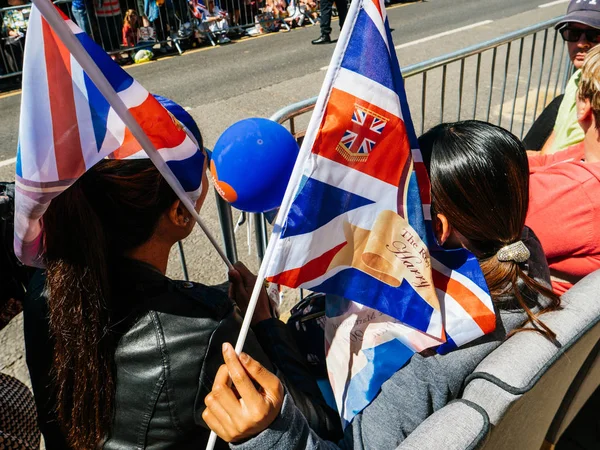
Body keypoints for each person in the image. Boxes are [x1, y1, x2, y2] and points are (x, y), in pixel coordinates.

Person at [202, 120, 562, 448]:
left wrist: (267, 434)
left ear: (436, 229)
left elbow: (352, 445)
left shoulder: (429, 359)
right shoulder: (519, 250)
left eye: (403, 199)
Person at [22, 109, 340, 448]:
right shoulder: (204, 328)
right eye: (203, 169)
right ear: (178, 213)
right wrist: (264, 323)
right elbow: (316, 426)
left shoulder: (45, 289)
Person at [526, 44, 600, 295]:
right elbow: (549, 161)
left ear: (583, 106)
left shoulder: (578, 194)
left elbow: (488, 222)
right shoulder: (587, 154)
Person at [527, 0, 600, 153]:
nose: (581, 43)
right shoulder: (576, 78)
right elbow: (557, 134)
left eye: (595, 35)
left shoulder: (596, 88)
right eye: (573, 33)